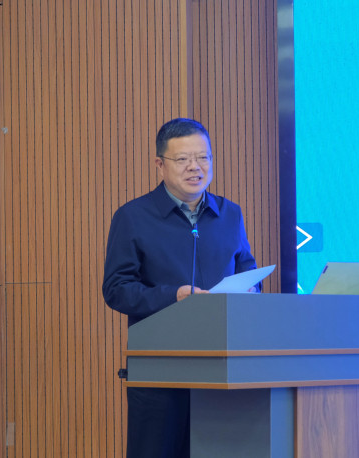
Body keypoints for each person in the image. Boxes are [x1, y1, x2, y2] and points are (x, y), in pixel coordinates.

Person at [102, 118, 260, 458]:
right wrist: (174, 296)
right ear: (160, 164)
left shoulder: (229, 214)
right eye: (183, 159)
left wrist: (251, 290)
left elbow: (247, 268)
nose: (195, 167)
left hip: (222, 366)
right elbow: (116, 288)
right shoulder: (133, 216)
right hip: (160, 370)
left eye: (203, 157)